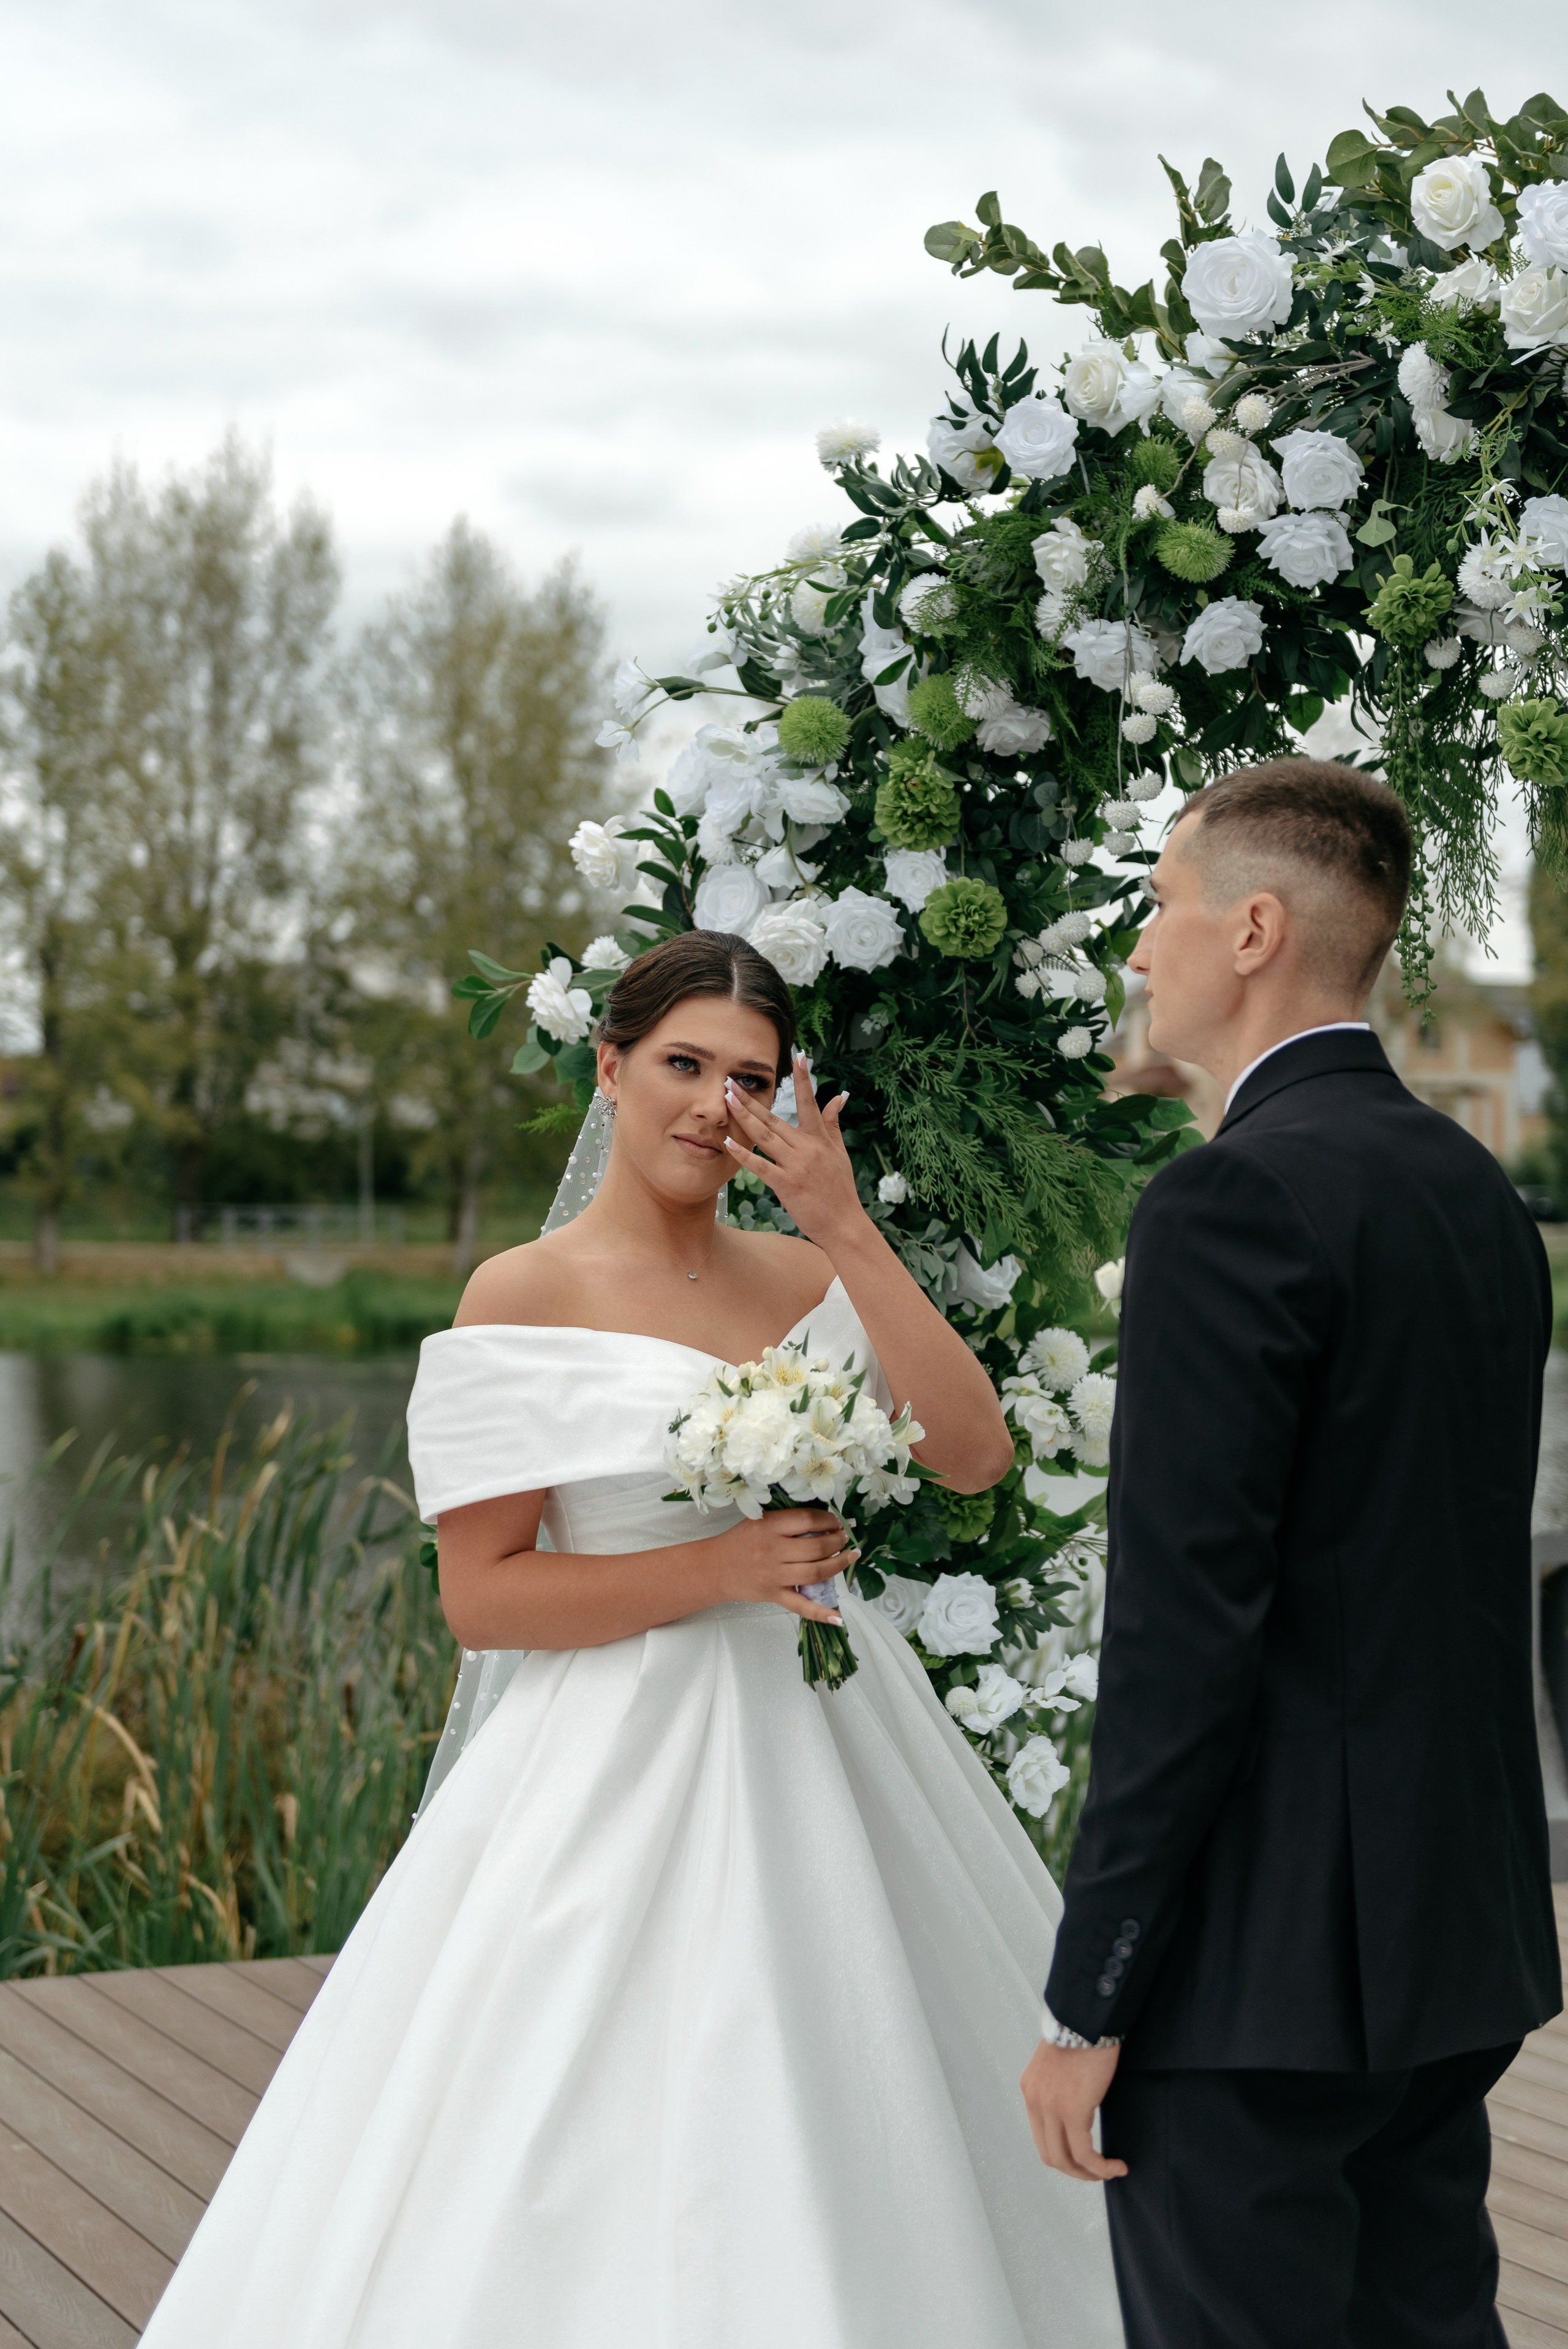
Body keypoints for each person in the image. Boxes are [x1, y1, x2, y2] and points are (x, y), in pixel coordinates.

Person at [139, 928, 1123, 2349]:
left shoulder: (800, 1283)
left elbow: (971, 1454)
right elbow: (482, 1596)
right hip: (606, 1751)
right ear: (606, 1067)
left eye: (749, 1078)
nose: (710, 1105)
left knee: (850, 2060)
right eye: (679, 1064)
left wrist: (843, 1229)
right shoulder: (519, 1295)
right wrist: (718, 1565)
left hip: (826, 1732)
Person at [1020, 757, 1561, 2348]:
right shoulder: (1476, 1196)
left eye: (1162, 906)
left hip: (1256, 1972)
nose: (1139, 948)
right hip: (1448, 1939)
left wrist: (1089, 1996)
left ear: (1253, 928)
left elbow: (1187, 1639)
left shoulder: (1226, 1203)